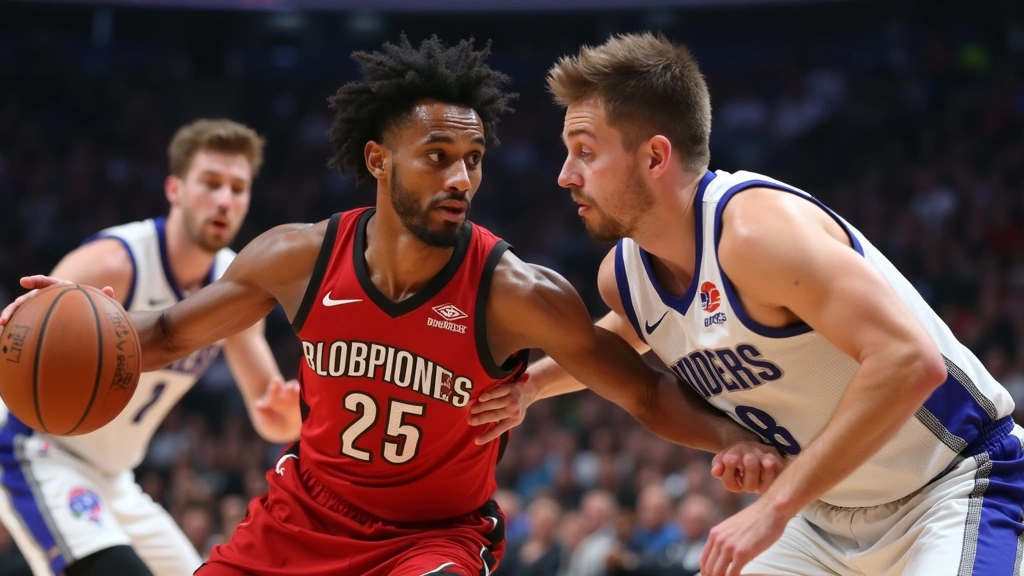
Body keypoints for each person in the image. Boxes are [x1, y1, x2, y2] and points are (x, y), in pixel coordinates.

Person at [0, 35, 781, 576]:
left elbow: (642, 391)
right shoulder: (299, 256)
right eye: (438, 157)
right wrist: (72, 316)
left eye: (472, 161)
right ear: (379, 159)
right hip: (303, 519)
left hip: (430, 540)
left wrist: (736, 439)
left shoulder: (514, 292)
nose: (461, 179)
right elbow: (164, 332)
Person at [475, 32, 1024, 576]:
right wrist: (533, 386)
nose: (565, 175)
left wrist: (774, 507)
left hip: (955, 482)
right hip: (825, 517)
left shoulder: (755, 233)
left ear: (655, 156)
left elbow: (910, 362)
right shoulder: (627, 276)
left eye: (586, 154)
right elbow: (625, 341)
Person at [0, 119, 301, 576]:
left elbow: (269, 411)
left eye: (238, 188)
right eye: (211, 183)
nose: (224, 199)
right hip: (37, 451)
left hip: (117, 478)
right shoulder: (114, 261)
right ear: (175, 188)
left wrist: (283, 412)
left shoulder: (234, 284)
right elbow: (26, 343)